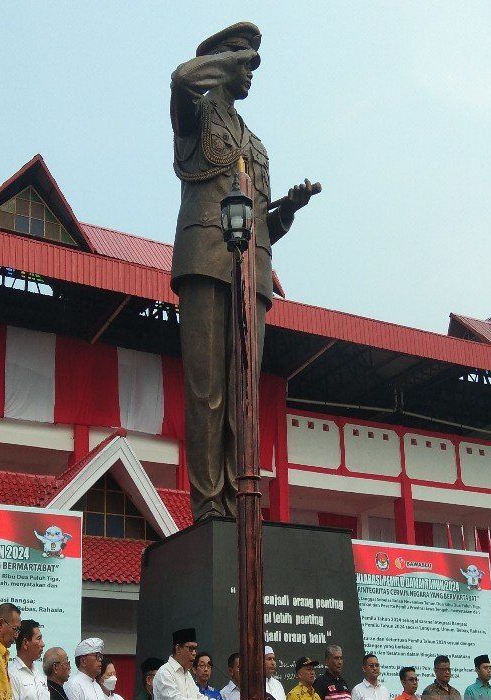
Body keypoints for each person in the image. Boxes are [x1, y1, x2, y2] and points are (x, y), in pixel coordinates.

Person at [169, 21, 318, 521]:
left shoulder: (256, 144)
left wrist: (288, 211)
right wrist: (226, 63)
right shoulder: (194, 114)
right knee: (207, 389)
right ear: (221, 61)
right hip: (205, 261)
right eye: (244, 60)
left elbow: (262, 226)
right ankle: (209, 501)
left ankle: (240, 499)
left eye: (253, 62)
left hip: (251, 273)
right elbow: (181, 78)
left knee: (242, 395)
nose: (252, 70)